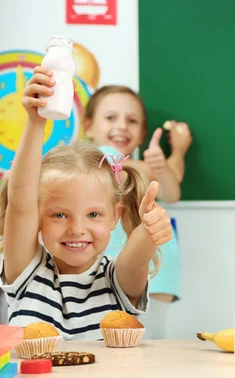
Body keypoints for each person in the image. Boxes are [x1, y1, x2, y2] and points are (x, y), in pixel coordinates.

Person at [0, 66, 172, 340]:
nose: (77, 229)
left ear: (115, 216)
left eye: (93, 214)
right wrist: (35, 122)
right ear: (37, 216)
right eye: (59, 215)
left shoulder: (115, 279)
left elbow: (135, 261)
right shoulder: (26, 271)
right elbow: (20, 204)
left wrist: (148, 233)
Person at [83, 85, 192, 338]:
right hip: (116, 275)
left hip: (158, 274)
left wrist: (170, 160)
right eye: (110, 118)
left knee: (145, 351)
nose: (121, 126)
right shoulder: (99, 159)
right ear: (88, 126)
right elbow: (153, 172)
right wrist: (176, 153)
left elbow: (171, 192)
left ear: (142, 133)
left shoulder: (144, 171)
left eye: (132, 121)